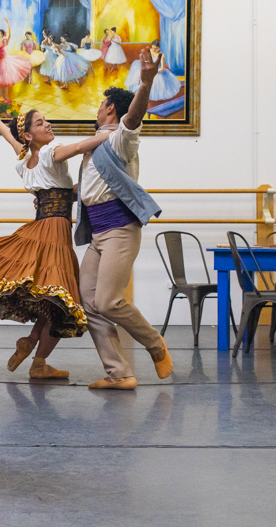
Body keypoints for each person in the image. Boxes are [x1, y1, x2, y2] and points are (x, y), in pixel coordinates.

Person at [0, 104, 112, 378]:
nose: (48, 124)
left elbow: (16, 144)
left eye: (46, 120)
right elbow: (80, 147)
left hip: (41, 228)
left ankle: (32, 344)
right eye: (41, 123)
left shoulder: (25, 161)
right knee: (62, 299)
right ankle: (38, 360)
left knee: (51, 294)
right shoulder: (51, 152)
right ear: (30, 135)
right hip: (54, 234)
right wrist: (115, 133)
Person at [74, 64, 172, 390]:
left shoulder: (119, 140)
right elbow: (89, 188)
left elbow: (133, 118)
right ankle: (119, 373)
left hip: (120, 229)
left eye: (101, 104)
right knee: (89, 302)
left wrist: (146, 83)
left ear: (111, 109)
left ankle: (155, 343)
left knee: (108, 301)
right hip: (98, 233)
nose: (97, 109)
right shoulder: (95, 143)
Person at [0, 18, 32, 96]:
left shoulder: (5, 41)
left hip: (5, 62)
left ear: (2, 35)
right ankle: (1, 97)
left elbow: (10, 35)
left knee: (5, 82)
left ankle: (6, 98)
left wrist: (8, 24)